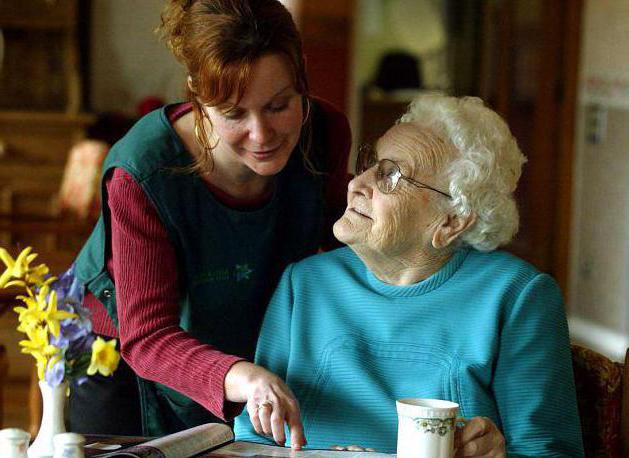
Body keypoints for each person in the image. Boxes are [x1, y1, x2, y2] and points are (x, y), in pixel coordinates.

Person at [234, 94, 584, 456]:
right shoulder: (304, 285)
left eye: (390, 175)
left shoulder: (516, 297)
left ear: (451, 221)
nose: (357, 183)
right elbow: (253, 439)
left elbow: (549, 451)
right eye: (370, 165)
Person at [68, 0, 351, 445]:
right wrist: (244, 377)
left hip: (242, 343)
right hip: (121, 358)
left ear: (302, 82)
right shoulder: (142, 171)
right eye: (234, 114)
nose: (261, 135)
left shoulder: (325, 135)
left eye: (279, 105)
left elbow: (344, 252)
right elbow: (147, 336)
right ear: (197, 98)